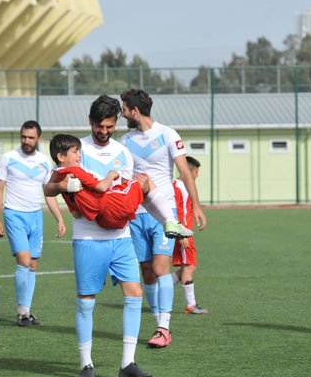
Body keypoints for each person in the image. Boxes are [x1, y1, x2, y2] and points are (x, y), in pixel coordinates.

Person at [44, 95, 152, 377]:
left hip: (121, 237)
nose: (104, 131)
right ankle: (86, 364)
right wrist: (64, 184)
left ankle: (128, 363)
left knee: (134, 295)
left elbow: (126, 190)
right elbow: (49, 186)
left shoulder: (123, 153)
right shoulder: (74, 150)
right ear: (90, 122)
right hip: (88, 239)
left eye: (109, 126)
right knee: (86, 302)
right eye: (99, 126)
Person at [120, 88, 207, 349]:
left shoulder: (168, 134)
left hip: (164, 214)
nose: (122, 113)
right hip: (136, 214)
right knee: (146, 272)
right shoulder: (125, 141)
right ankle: (158, 322)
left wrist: (197, 206)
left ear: (135, 111)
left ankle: (164, 327)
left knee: (161, 269)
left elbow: (185, 172)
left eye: (124, 109)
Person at [0, 120, 66, 327]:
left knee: (33, 265)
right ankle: (21, 313)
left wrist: (59, 218)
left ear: (38, 139)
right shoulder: (8, 158)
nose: (26, 140)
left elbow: (49, 193)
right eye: (24, 136)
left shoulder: (44, 162)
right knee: (24, 261)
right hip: (14, 214)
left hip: (36, 216)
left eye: (31, 137)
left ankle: (26, 311)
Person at [48, 133, 192, 236]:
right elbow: (102, 187)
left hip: (102, 219)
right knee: (144, 181)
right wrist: (111, 174)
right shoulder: (75, 170)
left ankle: (170, 224)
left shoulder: (59, 175)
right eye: (75, 152)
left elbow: (75, 212)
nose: (79, 155)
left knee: (139, 191)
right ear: (61, 156)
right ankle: (170, 221)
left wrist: (64, 189)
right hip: (111, 205)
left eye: (79, 151)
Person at [171, 156, 209, 315]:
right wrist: (181, 236)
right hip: (183, 234)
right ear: (187, 170)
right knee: (188, 267)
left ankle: (159, 286)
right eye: (196, 171)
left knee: (189, 266)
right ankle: (191, 305)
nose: (197, 175)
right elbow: (176, 212)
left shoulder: (185, 186)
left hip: (187, 233)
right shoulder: (178, 187)